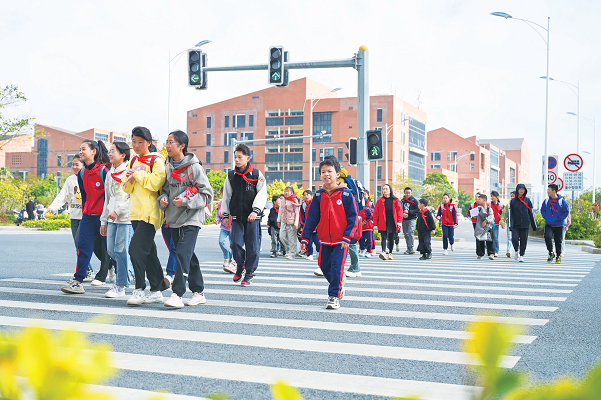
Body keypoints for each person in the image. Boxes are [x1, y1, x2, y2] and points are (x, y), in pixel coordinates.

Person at [159, 130, 213, 308]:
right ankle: (199, 291)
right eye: (166, 142)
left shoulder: (194, 167)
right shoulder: (168, 167)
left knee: (181, 252)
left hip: (192, 217)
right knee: (188, 255)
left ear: (182, 146)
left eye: (171, 142)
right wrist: (163, 199)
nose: (167, 145)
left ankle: (177, 293)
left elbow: (207, 194)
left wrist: (187, 201)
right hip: (174, 217)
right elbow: (164, 190)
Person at [300, 156, 359, 310]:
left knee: (336, 267)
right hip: (324, 239)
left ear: (337, 173)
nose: (326, 174)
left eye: (330, 171)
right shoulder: (318, 196)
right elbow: (311, 219)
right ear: (320, 176)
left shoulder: (346, 195)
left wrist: (348, 236)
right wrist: (305, 239)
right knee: (323, 266)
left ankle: (333, 296)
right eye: (323, 172)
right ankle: (338, 283)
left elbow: (353, 217)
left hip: (341, 240)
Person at [122, 126, 168, 305]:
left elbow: (157, 183)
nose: (136, 145)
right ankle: (157, 289)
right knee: (148, 252)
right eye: (134, 141)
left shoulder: (157, 160)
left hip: (150, 212)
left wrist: (139, 175)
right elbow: (126, 188)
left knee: (135, 249)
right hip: (135, 212)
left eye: (140, 142)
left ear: (149, 143)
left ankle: (139, 289)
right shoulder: (133, 160)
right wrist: (130, 180)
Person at [61, 140, 110, 294]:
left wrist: (106, 218)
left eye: (83, 149)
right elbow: (84, 196)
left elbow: (110, 196)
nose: (80, 152)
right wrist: (85, 213)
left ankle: (123, 275)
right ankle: (78, 281)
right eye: (80, 149)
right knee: (83, 247)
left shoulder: (104, 171)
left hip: (103, 217)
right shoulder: (81, 173)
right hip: (88, 217)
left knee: (111, 249)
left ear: (93, 151)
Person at [221, 143, 268, 287]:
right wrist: (225, 215)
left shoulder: (256, 174)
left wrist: (255, 211)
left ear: (247, 158)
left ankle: (249, 273)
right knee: (235, 243)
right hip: (236, 217)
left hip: (252, 217)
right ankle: (240, 266)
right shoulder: (231, 176)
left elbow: (262, 194)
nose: (236, 159)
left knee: (252, 246)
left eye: (239, 157)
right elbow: (227, 196)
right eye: (235, 157)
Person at [48, 155, 97, 282]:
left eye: (77, 164)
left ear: (83, 165)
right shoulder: (70, 180)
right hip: (74, 217)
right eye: (73, 164)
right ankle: (87, 270)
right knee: (78, 245)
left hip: (87, 217)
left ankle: (92, 270)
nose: (74, 167)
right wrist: (52, 208)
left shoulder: (88, 177)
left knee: (82, 243)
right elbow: (62, 195)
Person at [100, 142, 134, 298]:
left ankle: (120, 285)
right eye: (109, 151)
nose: (109, 154)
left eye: (113, 151)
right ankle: (129, 273)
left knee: (121, 250)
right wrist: (103, 221)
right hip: (111, 218)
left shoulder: (129, 172)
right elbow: (108, 198)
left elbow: (132, 197)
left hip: (125, 218)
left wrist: (118, 211)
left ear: (123, 155)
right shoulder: (109, 173)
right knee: (111, 251)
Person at [540, 183, 570, 264]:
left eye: (549, 190)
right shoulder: (546, 201)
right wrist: (546, 217)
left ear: (554, 191)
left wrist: (559, 219)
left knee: (558, 241)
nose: (547, 192)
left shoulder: (561, 201)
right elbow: (542, 210)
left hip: (559, 224)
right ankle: (551, 253)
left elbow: (566, 212)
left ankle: (558, 256)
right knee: (547, 237)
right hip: (549, 223)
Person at [374, 183, 403, 260]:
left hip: (392, 221)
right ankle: (383, 252)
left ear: (390, 190)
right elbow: (376, 213)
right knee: (383, 237)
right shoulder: (380, 201)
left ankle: (390, 253)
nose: (384, 190)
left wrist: (399, 221)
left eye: (386, 189)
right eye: (383, 189)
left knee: (391, 238)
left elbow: (399, 211)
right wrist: (375, 223)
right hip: (382, 221)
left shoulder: (395, 200)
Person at [510, 183, 537, 262]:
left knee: (523, 240)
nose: (522, 190)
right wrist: (511, 225)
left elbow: (531, 213)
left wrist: (533, 225)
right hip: (515, 224)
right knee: (514, 239)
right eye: (520, 189)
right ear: (517, 190)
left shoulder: (528, 200)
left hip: (525, 224)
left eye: (523, 189)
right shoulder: (513, 201)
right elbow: (510, 213)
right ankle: (516, 251)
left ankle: (521, 255)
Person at [278, 186, 301, 260]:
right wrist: (278, 221)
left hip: (292, 222)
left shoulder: (294, 201)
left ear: (292, 193)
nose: (286, 192)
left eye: (288, 191)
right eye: (285, 191)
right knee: (281, 237)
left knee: (292, 239)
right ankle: (288, 249)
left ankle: (292, 253)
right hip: (283, 221)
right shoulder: (283, 200)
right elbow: (280, 211)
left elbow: (297, 213)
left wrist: (296, 223)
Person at [216, 190, 235, 271]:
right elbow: (218, 215)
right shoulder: (220, 203)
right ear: (221, 194)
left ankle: (232, 261)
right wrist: (217, 219)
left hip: (233, 227)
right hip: (224, 227)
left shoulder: (233, 202)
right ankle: (227, 255)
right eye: (223, 194)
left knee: (232, 245)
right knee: (221, 241)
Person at [474, 194, 495, 260]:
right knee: (479, 240)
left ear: (484, 200)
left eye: (479, 199)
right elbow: (472, 215)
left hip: (488, 227)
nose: (478, 200)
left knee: (490, 240)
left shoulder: (489, 209)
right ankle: (480, 254)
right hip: (479, 227)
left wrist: (486, 221)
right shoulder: (479, 209)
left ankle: (491, 253)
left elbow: (491, 217)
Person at [300, 190, 320, 261]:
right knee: (308, 241)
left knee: (317, 241)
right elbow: (301, 216)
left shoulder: (315, 204)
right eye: (304, 195)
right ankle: (309, 254)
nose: (305, 196)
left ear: (311, 196)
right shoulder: (303, 205)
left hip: (316, 227)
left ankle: (318, 252)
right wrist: (302, 224)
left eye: (307, 195)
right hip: (307, 226)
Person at [400, 187, 419, 254]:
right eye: (406, 193)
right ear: (404, 193)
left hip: (412, 219)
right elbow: (399, 209)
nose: (407, 194)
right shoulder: (402, 201)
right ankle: (408, 247)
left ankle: (411, 247)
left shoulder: (414, 201)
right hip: (404, 219)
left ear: (411, 193)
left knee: (410, 231)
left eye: (409, 193)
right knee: (406, 233)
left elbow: (417, 210)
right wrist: (402, 214)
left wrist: (409, 212)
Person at [357, 189, 375, 261]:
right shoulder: (358, 205)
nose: (363, 196)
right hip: (361, 226)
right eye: (362, 194)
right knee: (361, 238)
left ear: (368, 195)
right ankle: (362, 249)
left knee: (369, 239)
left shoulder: (370, 205)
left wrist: (365, 221)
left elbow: (372, 215)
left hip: (368, 225)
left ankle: (369, 251)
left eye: (365, 194)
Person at [500, 191, 516, 257]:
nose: (512, 197)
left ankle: (518, 251)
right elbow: (504, 215)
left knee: (517, 239)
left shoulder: (520, 204)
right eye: (511, 196)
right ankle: (509, 251)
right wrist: (502, 222)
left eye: (513, 196)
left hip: (518, 225)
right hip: (510, 224)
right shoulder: (508, 205)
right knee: (509, 238)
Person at [490, 191, 503, 257]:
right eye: (491, 196)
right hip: (489, 223)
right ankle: (489, 249)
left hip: (496, 223)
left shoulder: (500, 206)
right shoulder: (489, 204)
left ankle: (496, 251)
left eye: (493, 196)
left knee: (495, 238)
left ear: (497, 197)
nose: (492, 197)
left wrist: (502, 222)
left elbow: (502, 214)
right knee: (489, 237)